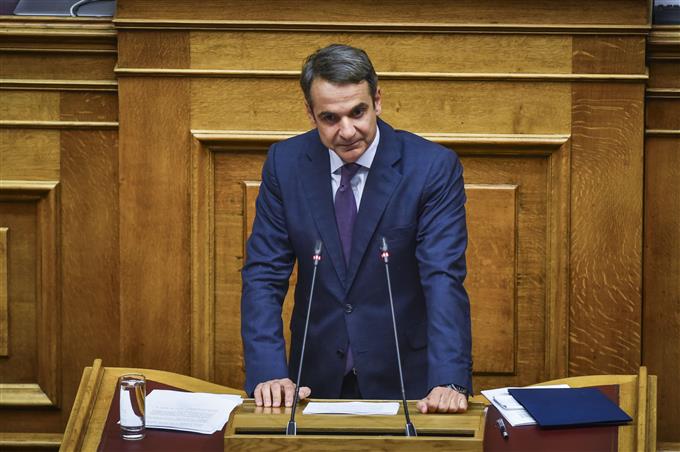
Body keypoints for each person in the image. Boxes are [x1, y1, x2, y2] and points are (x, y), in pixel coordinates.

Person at [241, 44, 472, 414]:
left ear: (377, 100)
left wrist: (449, 379)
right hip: (313, 381)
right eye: (330, 118)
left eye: (357, 112)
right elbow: (264, 274)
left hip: (406, 380)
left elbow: (442, 276)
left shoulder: (431, 168)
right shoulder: (286, 165)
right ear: (310, 113)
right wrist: (268, 372)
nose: (347, 131)